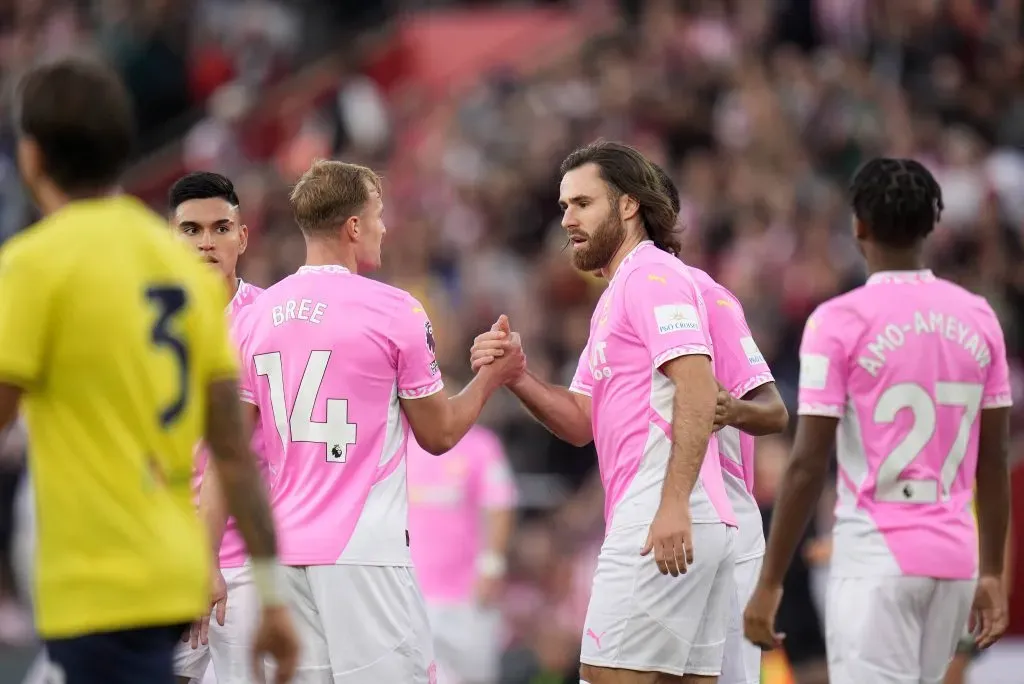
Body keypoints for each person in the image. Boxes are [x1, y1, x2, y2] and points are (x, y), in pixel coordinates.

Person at [0, 58, 299, 684]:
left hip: (94, 573)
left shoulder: (32, 265)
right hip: (173, 565)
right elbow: (234, 454)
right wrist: (274, 595)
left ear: (31, 156)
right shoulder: (177, 272)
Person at [207, 159, 525, 683]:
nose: (384, 226)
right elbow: (440, 433)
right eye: (378, 214)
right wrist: (493, 377)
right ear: (353, 226)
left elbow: (229, 454)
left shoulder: (253, 317)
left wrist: (206, 561)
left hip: (284, 558)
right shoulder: (395, 310)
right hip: (365, 554)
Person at [470, 140, 737, 684]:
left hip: (662, 514)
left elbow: (697, 385)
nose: (567, 219)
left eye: (582, 203)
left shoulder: (650, 276)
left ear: (628, 205)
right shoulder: (618, 294)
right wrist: (516, 376)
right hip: (681, 516)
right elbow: (580, 421)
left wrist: (672, 504)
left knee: (605, 675)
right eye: (563, 206)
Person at [744, 158, 1012, 684]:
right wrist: (994, 573)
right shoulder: (980, 316)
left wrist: (770, 581)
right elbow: (994, 458)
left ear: (859, 226)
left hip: (875, 560)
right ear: (931, 225)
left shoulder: (838, 321)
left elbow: (807, 464)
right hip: (955, 562)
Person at [653, 164, 789, 684]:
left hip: (723, 525)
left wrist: (729, 411)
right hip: (650, 527)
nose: (570, 219)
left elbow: (774, 411)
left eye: (586, 203)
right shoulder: (611, 308)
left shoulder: (705, 296)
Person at [167, 171, 265, 684]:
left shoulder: (272, 320)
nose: (206, 242)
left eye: (220, 228)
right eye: (191, 230)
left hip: (249, 561)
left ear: (242, 237)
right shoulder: (144, 329)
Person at [407, 375, 518, 684]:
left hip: (467, 592)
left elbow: (500, 505)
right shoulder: (402, 444)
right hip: (412, 592)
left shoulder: (481, 445)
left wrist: (491, 566)